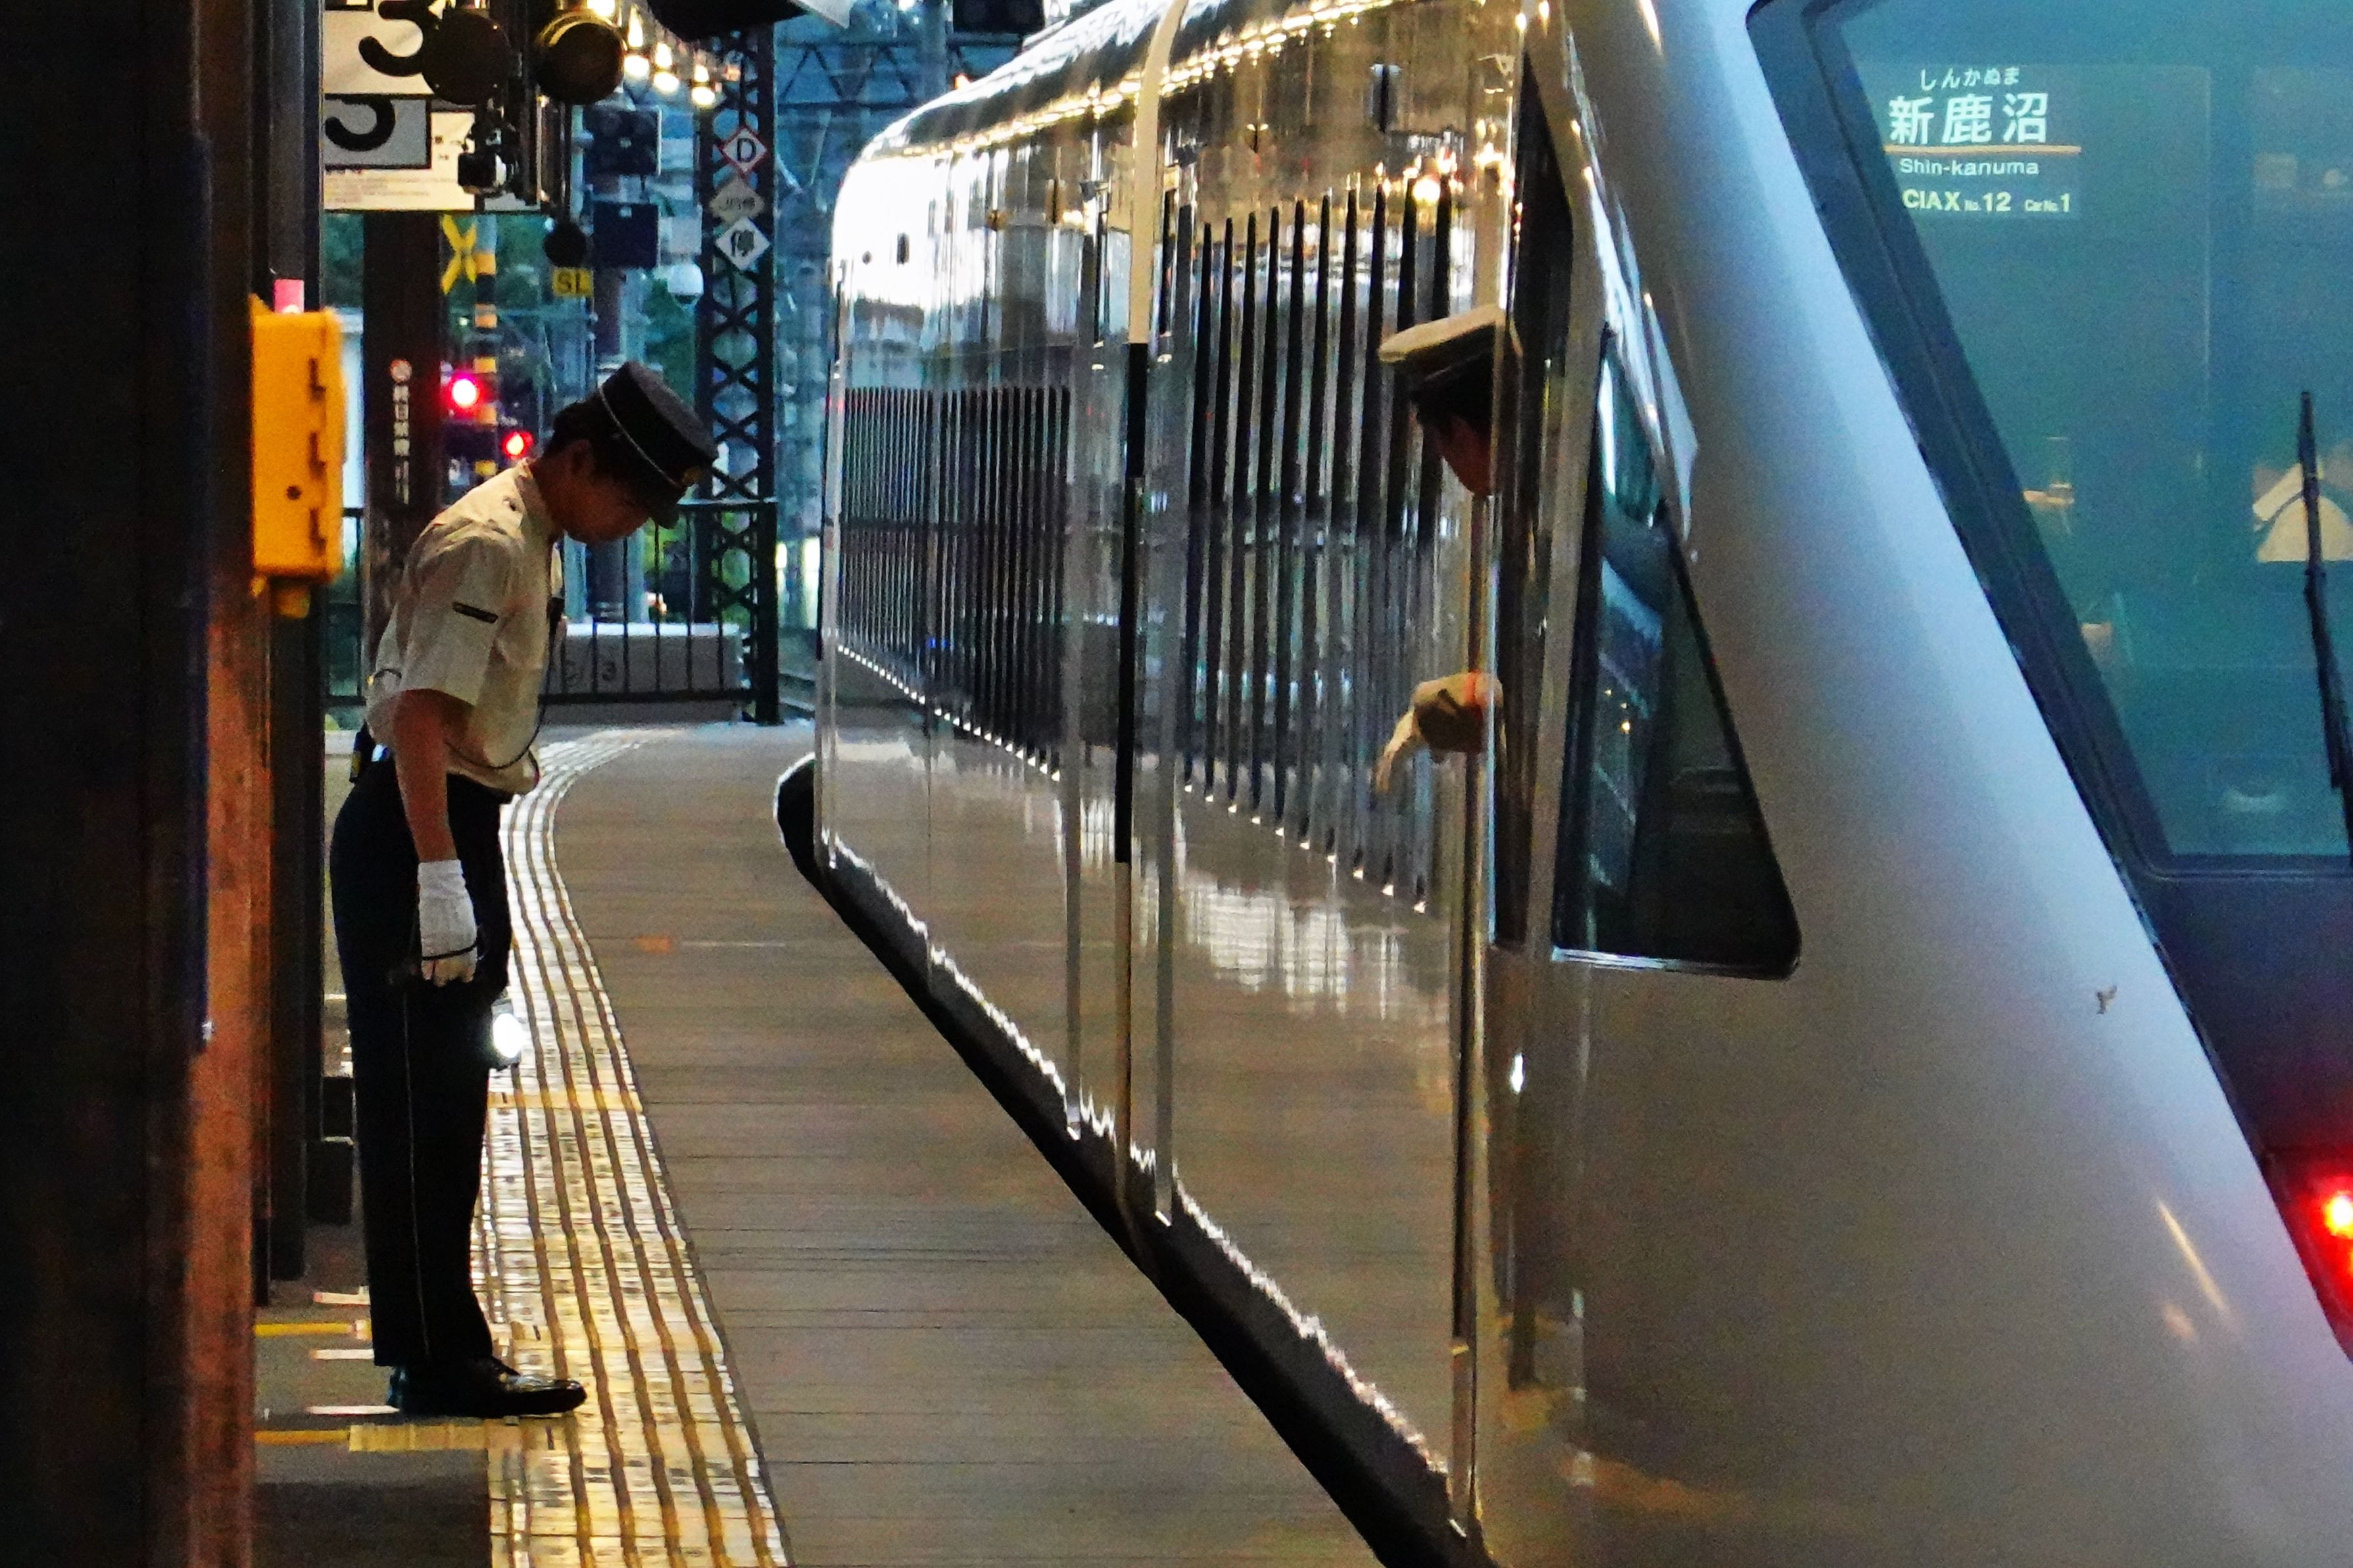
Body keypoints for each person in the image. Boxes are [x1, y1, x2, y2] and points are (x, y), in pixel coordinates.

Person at [330, 362, 715, 1418]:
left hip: (444, 821)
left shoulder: (530, 536)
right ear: (579, 460)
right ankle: (433, 1357)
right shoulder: (491, 542)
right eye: (629, 500)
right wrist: (438, 875)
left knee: (448, 1098)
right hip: (416, 825)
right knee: (422, 1103)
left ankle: (445, 1343)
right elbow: (420, 716)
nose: (629, 526)